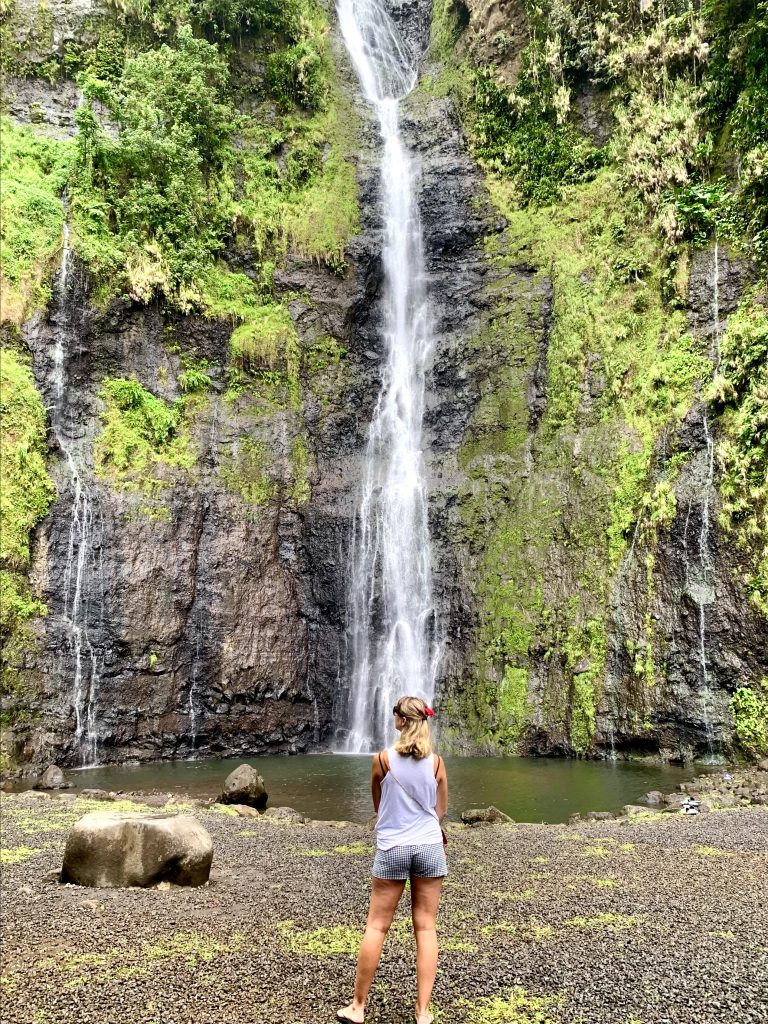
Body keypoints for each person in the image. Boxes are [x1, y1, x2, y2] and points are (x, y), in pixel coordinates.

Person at [337, 695, 448, 1024]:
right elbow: (439, 811)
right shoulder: (438, 764)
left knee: (376, 925)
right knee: (426, 927)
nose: (393, 717)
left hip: (393, 847)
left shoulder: (381, 760)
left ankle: (357, 1008)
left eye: (395, 713)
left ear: (402, 721)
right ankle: (423, 1012)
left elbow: (378, 804)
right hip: (429, 846)